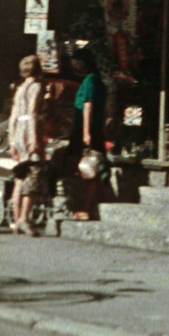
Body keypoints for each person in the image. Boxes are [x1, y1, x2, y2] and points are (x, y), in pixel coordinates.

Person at [8, 55, 47, 234]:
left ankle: (16, 221)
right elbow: (32, 113)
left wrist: (11, 141)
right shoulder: (37, 87)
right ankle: (24, 218)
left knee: (20, 176)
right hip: (28, 132)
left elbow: (13, 116)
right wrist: (34, 139)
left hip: (17, 133)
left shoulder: (20, 87)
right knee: (34, 173)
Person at [69, 45, 107, 220]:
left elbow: (88, 106)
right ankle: (89, 206)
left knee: (89, 169)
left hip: (87, 131)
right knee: (90, 169)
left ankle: (87, 208)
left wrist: (86, 133)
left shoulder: (90, 81)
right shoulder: (94, 79)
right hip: (91, 130)